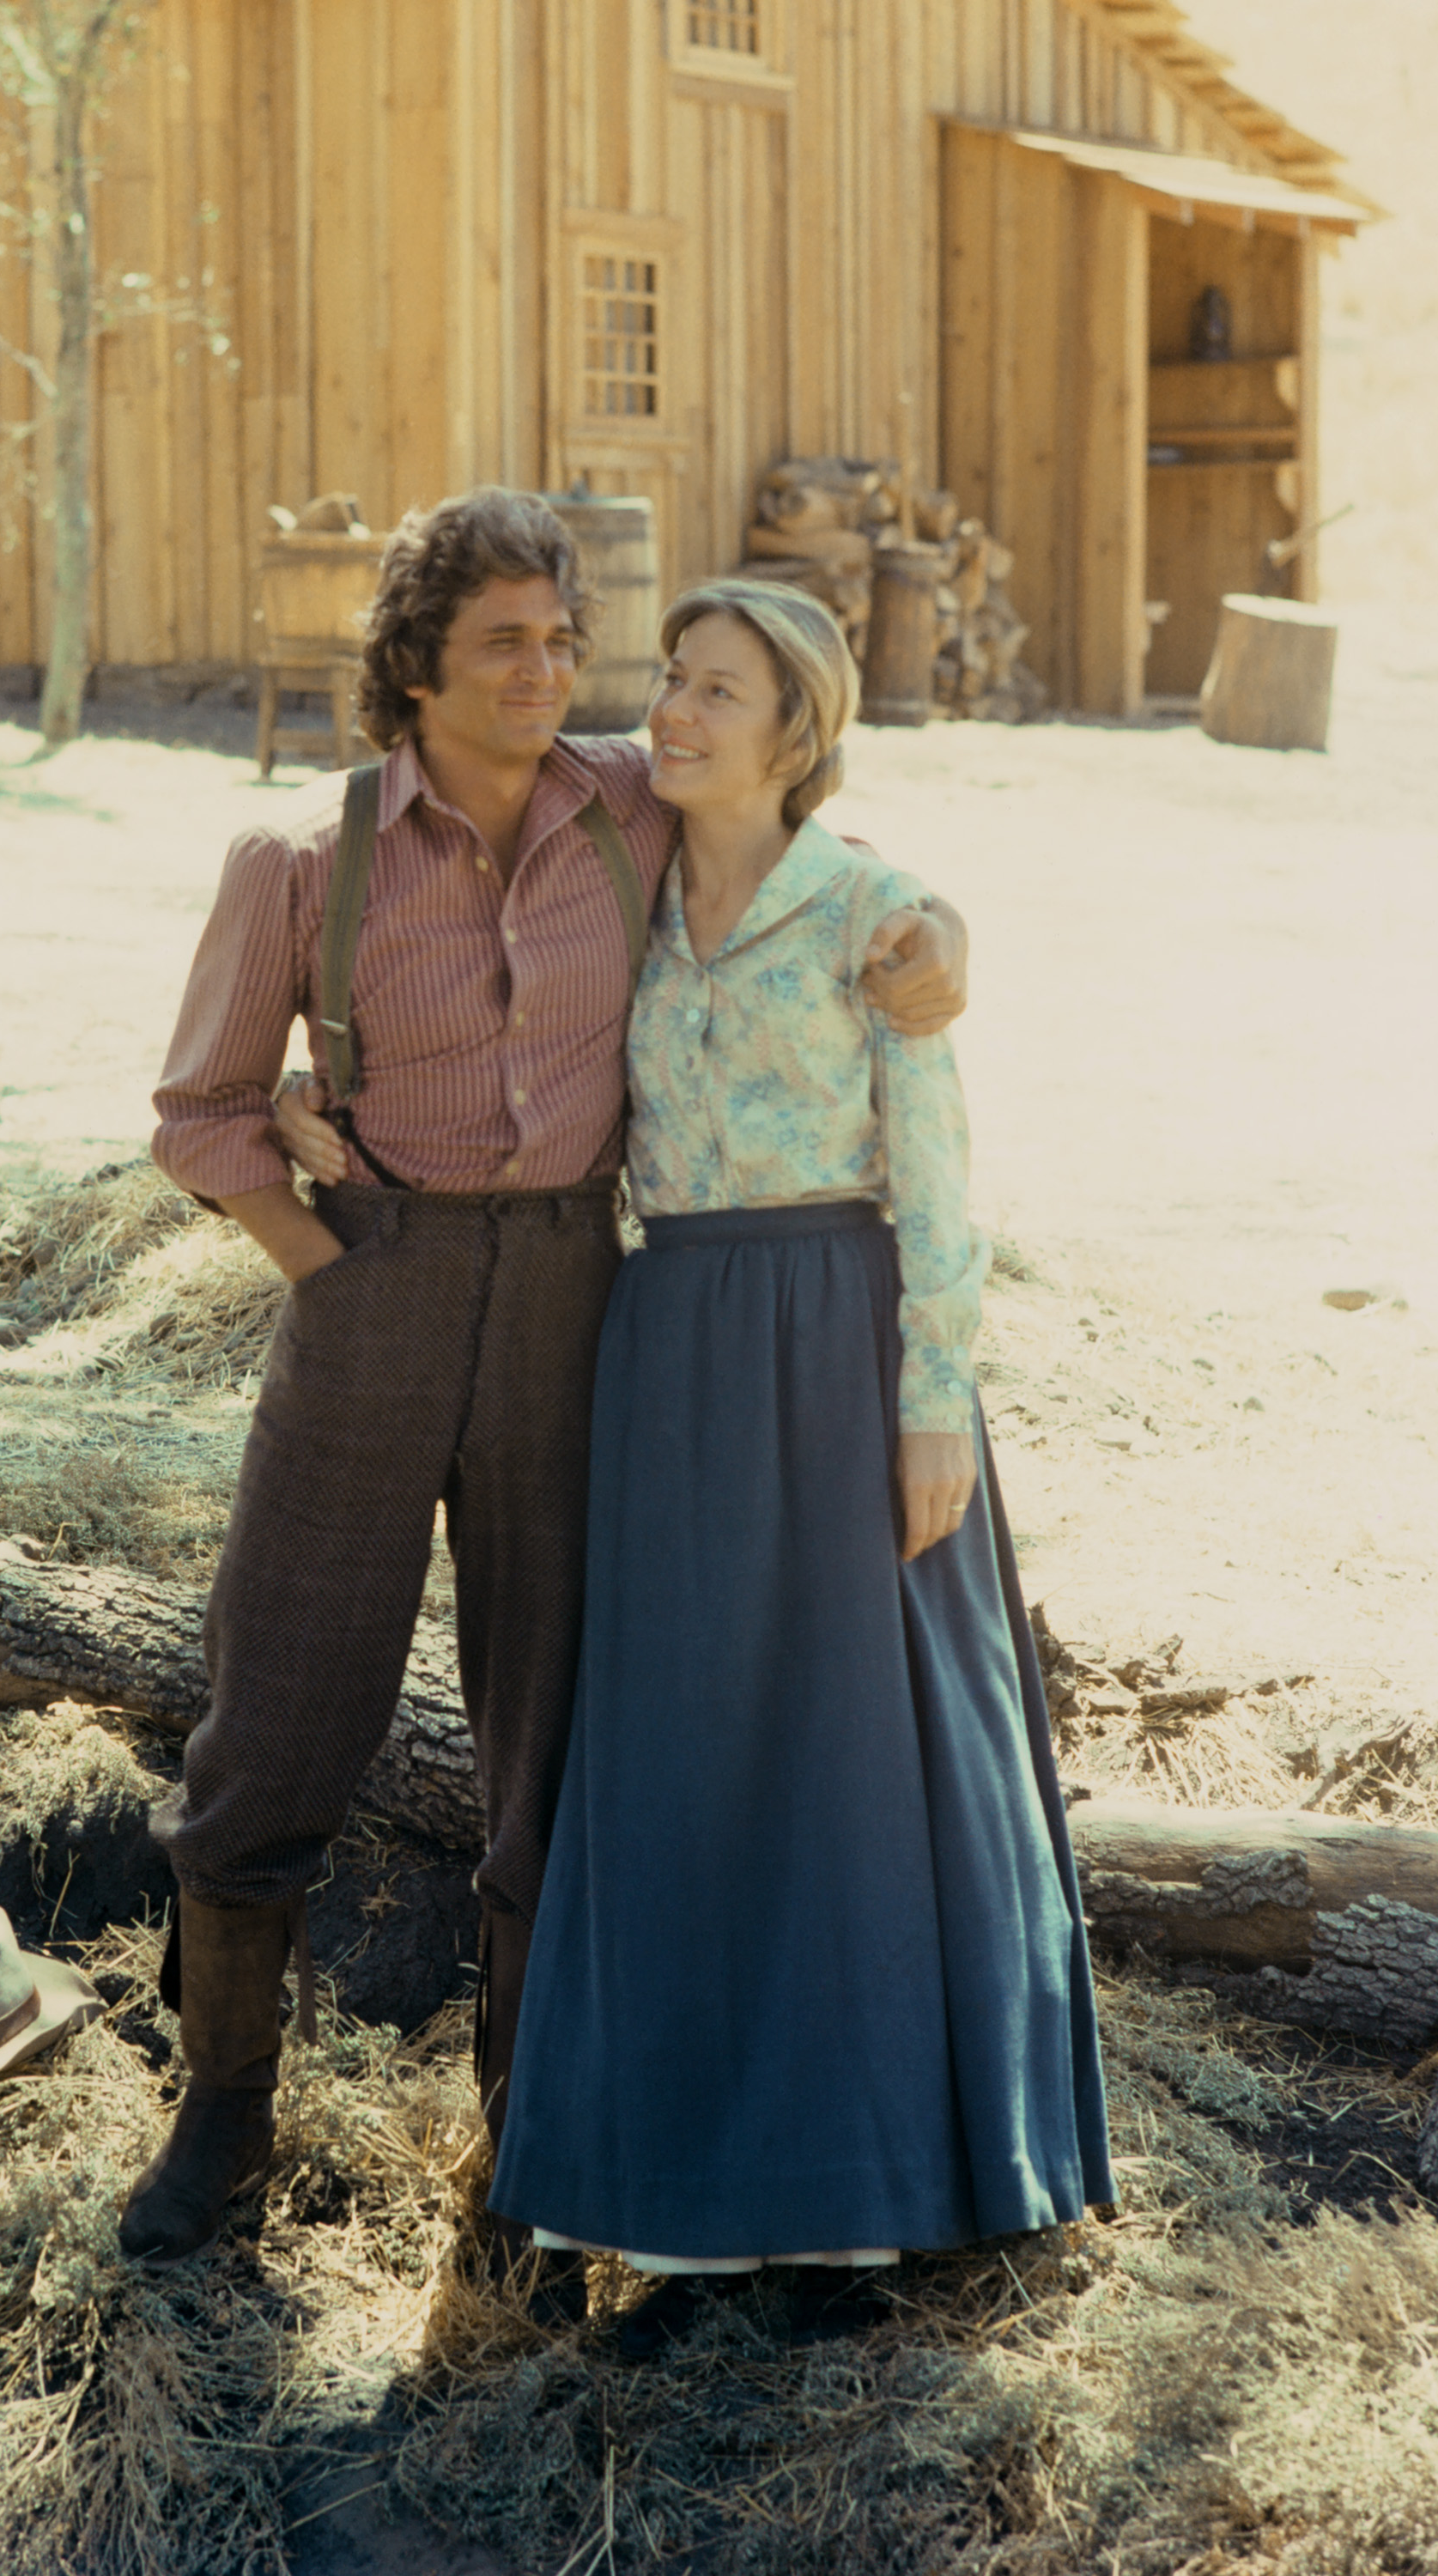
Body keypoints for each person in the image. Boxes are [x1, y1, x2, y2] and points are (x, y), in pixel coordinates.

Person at [120, 490, 969, 2275]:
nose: (546, 671)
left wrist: (933, 936)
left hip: (583, 1303)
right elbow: (200, 1114)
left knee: (555, 1731)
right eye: (502, 640)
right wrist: (325, 1266)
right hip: (372, 1292)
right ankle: (221, 2118)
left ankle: (534, 2140)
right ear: (413, 663)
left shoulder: (627, 806)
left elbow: (799, 817)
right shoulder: (303, 857)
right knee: (277, 1701)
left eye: (562, 638)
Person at [483, 578, 1117, 2357]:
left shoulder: (871, 912)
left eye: (715, 689)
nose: (668, 710)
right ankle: (686, 2233)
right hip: (670, 1347)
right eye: (667, 679)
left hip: (837, 1348)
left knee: (846, 1759)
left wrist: (934, 1401)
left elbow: (935, 1173)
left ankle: (852, 2217)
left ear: (796, 730)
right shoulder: (618, 877)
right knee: (685, 1755)